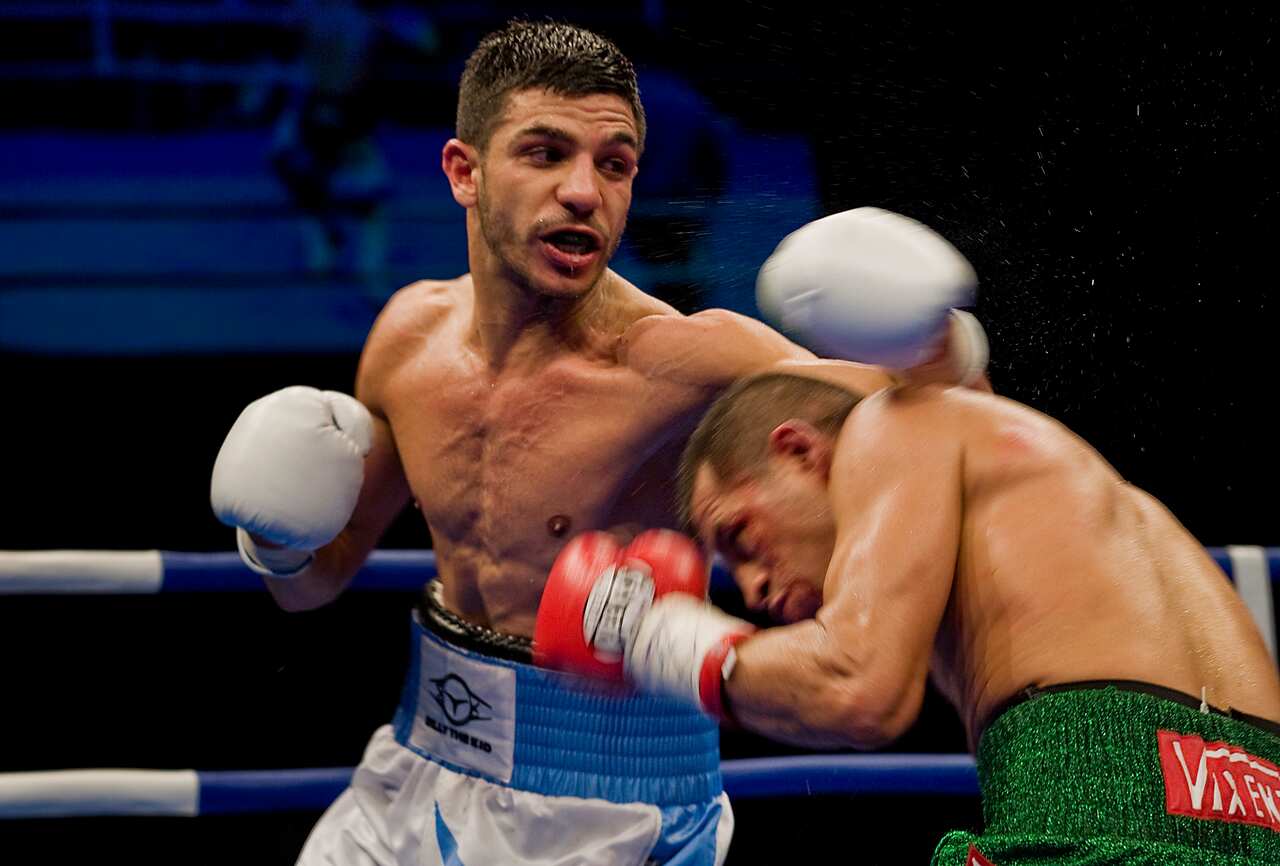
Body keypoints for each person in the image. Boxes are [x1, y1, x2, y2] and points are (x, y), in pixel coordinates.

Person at [211, 19, 986, 866]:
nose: (585, 191)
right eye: (545, 153)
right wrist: (277, 543)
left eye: (613, 165)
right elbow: (315, 587)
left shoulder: (692, 361)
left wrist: (935, 340)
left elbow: (962, 436)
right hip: (409, 770)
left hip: (607, 810)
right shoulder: (406, 338)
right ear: (464, 172)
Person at [547, 369, 1280, 864]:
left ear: (798, 450)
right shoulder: (1039, 476)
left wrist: (646, 634)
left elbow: (852, 686)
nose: (752, 586)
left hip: (1094, 804)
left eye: (740, 537)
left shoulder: (888, 428)